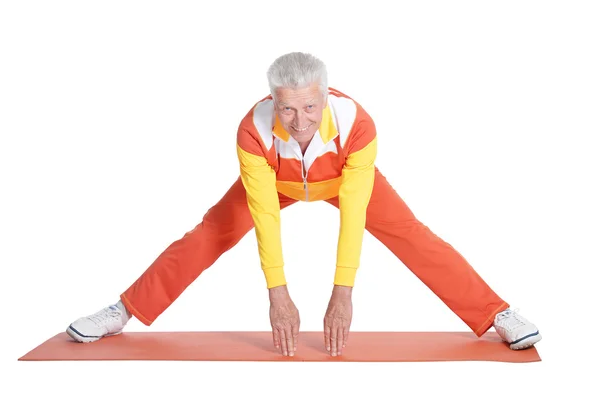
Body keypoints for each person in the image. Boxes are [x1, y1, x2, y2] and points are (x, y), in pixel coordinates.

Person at [66, 52, 542, 357]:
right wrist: (278, 293)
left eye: (310, 107)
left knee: (413, 236)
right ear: (275, 100)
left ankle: (496, 312)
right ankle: (122, 310)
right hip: (279, 183)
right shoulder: (253, 129)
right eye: (288, 108)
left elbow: (354, 213)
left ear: (324, 97)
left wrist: (343, 291)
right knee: (207, 235)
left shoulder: (357, 123)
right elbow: (264, 216)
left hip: (342, 181)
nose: (299, 120)